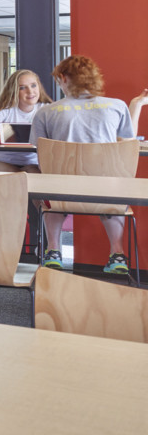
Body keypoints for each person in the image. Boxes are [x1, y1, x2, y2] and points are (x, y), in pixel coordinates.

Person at [31, 56, 143, 275]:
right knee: (115, 184)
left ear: (62, 78)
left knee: (47, 182)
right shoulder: (117, 106)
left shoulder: (45, 112)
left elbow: (39, 152)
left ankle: (53, 249)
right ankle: (117, 253)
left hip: (60, 198)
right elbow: (127, 143)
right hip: (106, 197)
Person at [0, 70, 51, 172]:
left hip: (30, 163)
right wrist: (11, 135)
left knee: (35, 175)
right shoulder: (5, 110)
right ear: (13, 91)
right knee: (17, 176)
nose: (30, 91)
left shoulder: (47, 110)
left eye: (33, 85)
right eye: (22, 88)